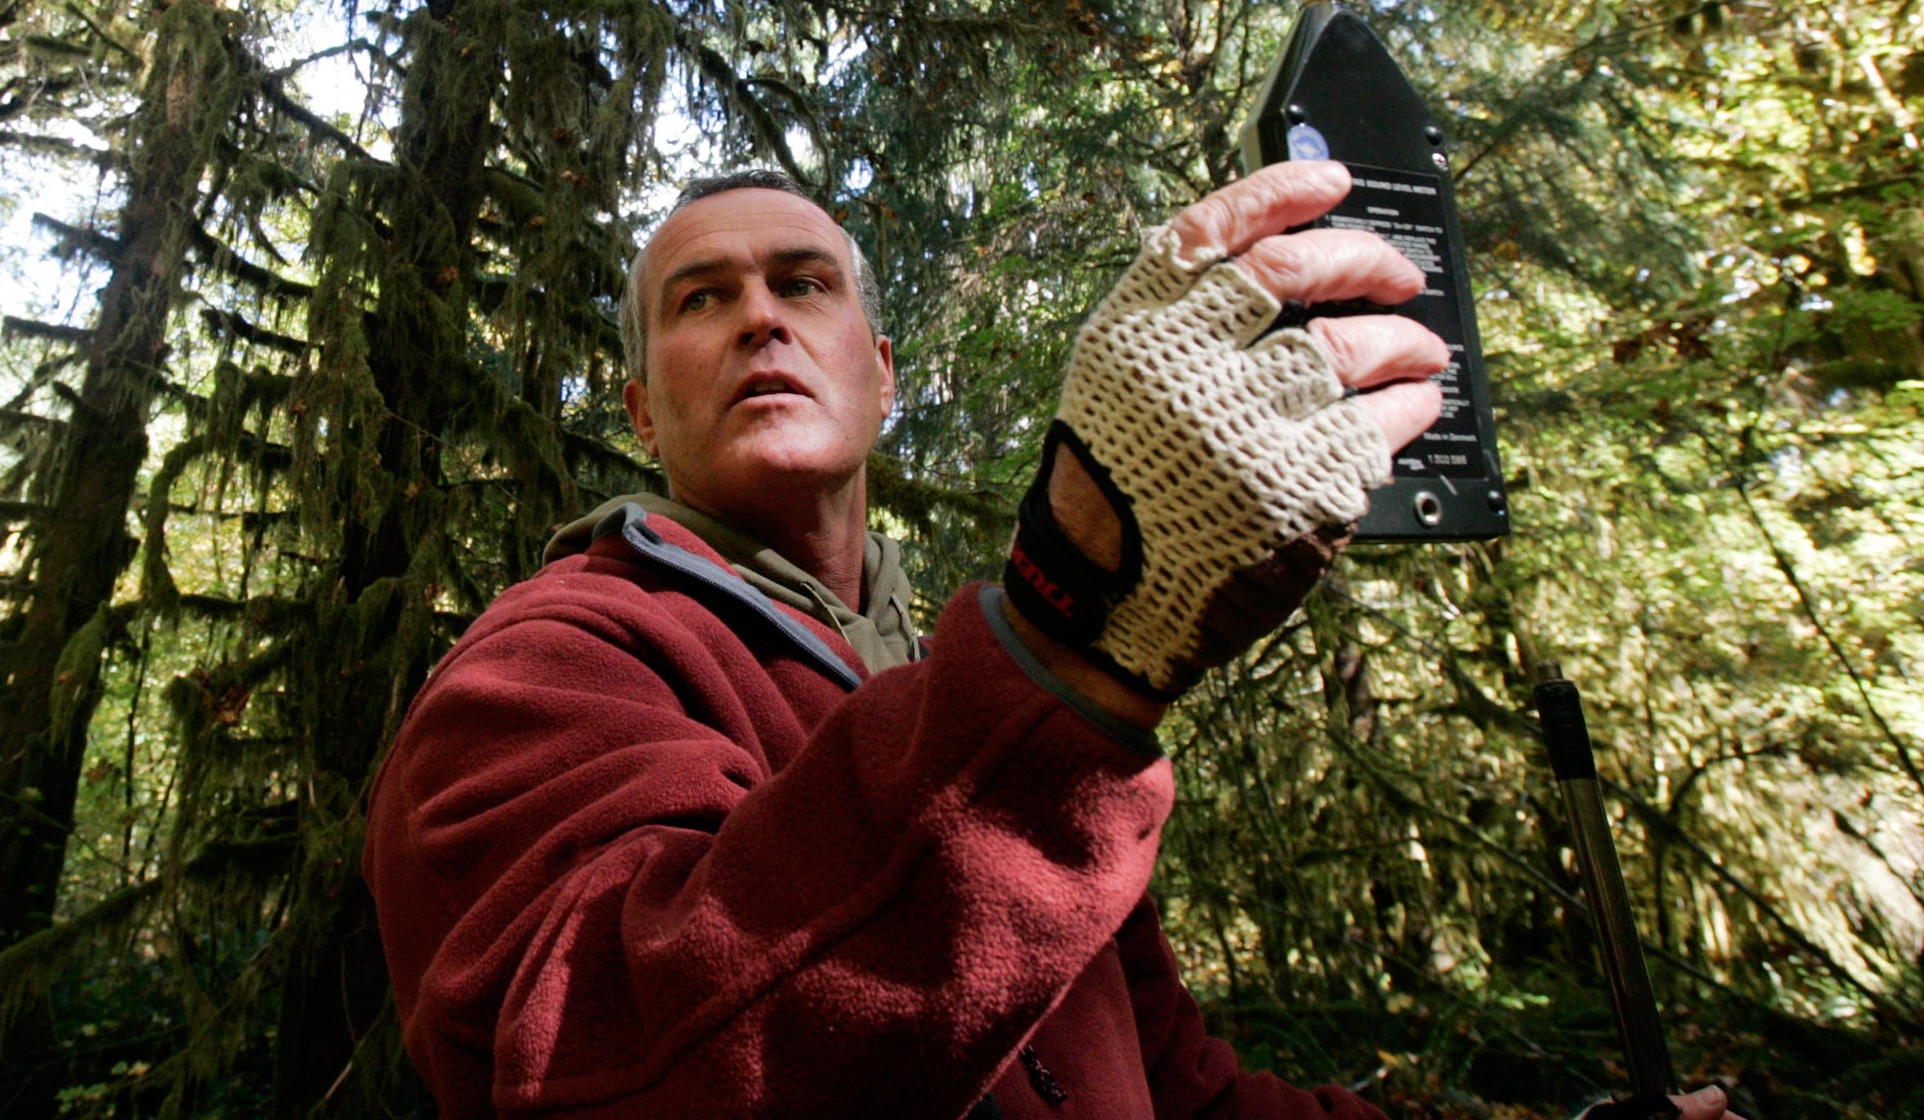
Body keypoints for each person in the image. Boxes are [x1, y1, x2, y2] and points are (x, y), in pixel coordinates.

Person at [363, 164, 1738, 1119]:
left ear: (884, 374)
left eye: (801, 283)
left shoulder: (964, 685)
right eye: (700, 299)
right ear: (643, 413)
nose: (760, 316)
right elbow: (627, 1072)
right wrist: (1082, 624)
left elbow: (1184, 1092)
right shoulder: (543, 662)